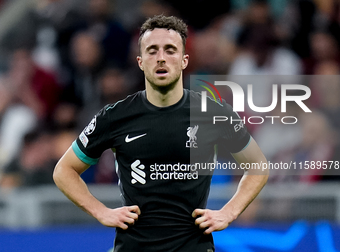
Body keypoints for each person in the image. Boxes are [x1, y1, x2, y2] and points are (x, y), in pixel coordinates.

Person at [53, 15, 269, 252]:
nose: (161, 58)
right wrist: (101, 211)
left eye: (170, 50)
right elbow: (64, 170)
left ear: (185, 60)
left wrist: (228, 212)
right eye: (152, 51)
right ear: (140, 61)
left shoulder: (212, 113)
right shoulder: (114, 116)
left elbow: (258, 165)